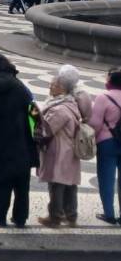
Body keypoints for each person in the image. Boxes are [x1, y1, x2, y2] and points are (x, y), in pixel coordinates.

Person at [0, 52, 39, 227]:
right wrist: (33, 131)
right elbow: (34, 112)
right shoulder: (19, 85)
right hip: (22, 140)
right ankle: (20, 218)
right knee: (22, 182)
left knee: (1, 179)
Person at [37, 65, 89, 227]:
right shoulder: (71, 103)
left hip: (59, 151)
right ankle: (71, 215)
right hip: (69, 150)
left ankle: (55, 216)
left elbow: (46, 129)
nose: (50, 86)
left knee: (57, 183)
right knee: (70, 183)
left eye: (52, 84)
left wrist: (32, 115)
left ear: (61, 88)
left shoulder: (60, 109)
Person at [90, 67, 121, 224]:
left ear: (110, 82)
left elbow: (95, 123)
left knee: (106, 179)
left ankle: (109, 213)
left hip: (107, 142)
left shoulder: (103, 97)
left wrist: (92, 139)